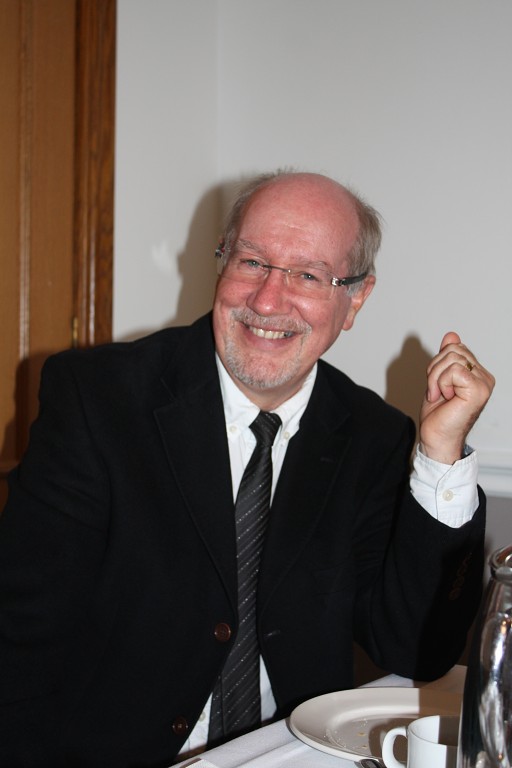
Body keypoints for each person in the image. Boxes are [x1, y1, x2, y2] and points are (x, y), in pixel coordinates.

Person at [0, 170, 494, 768]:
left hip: (289, 756)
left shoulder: (374, 437)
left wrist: (440, 453)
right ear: (222, 261)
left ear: (356, 299)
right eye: (252, 261)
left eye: (307, 275)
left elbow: (415, 650)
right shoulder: (99, 399)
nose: (266, 301)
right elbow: (20, 632)